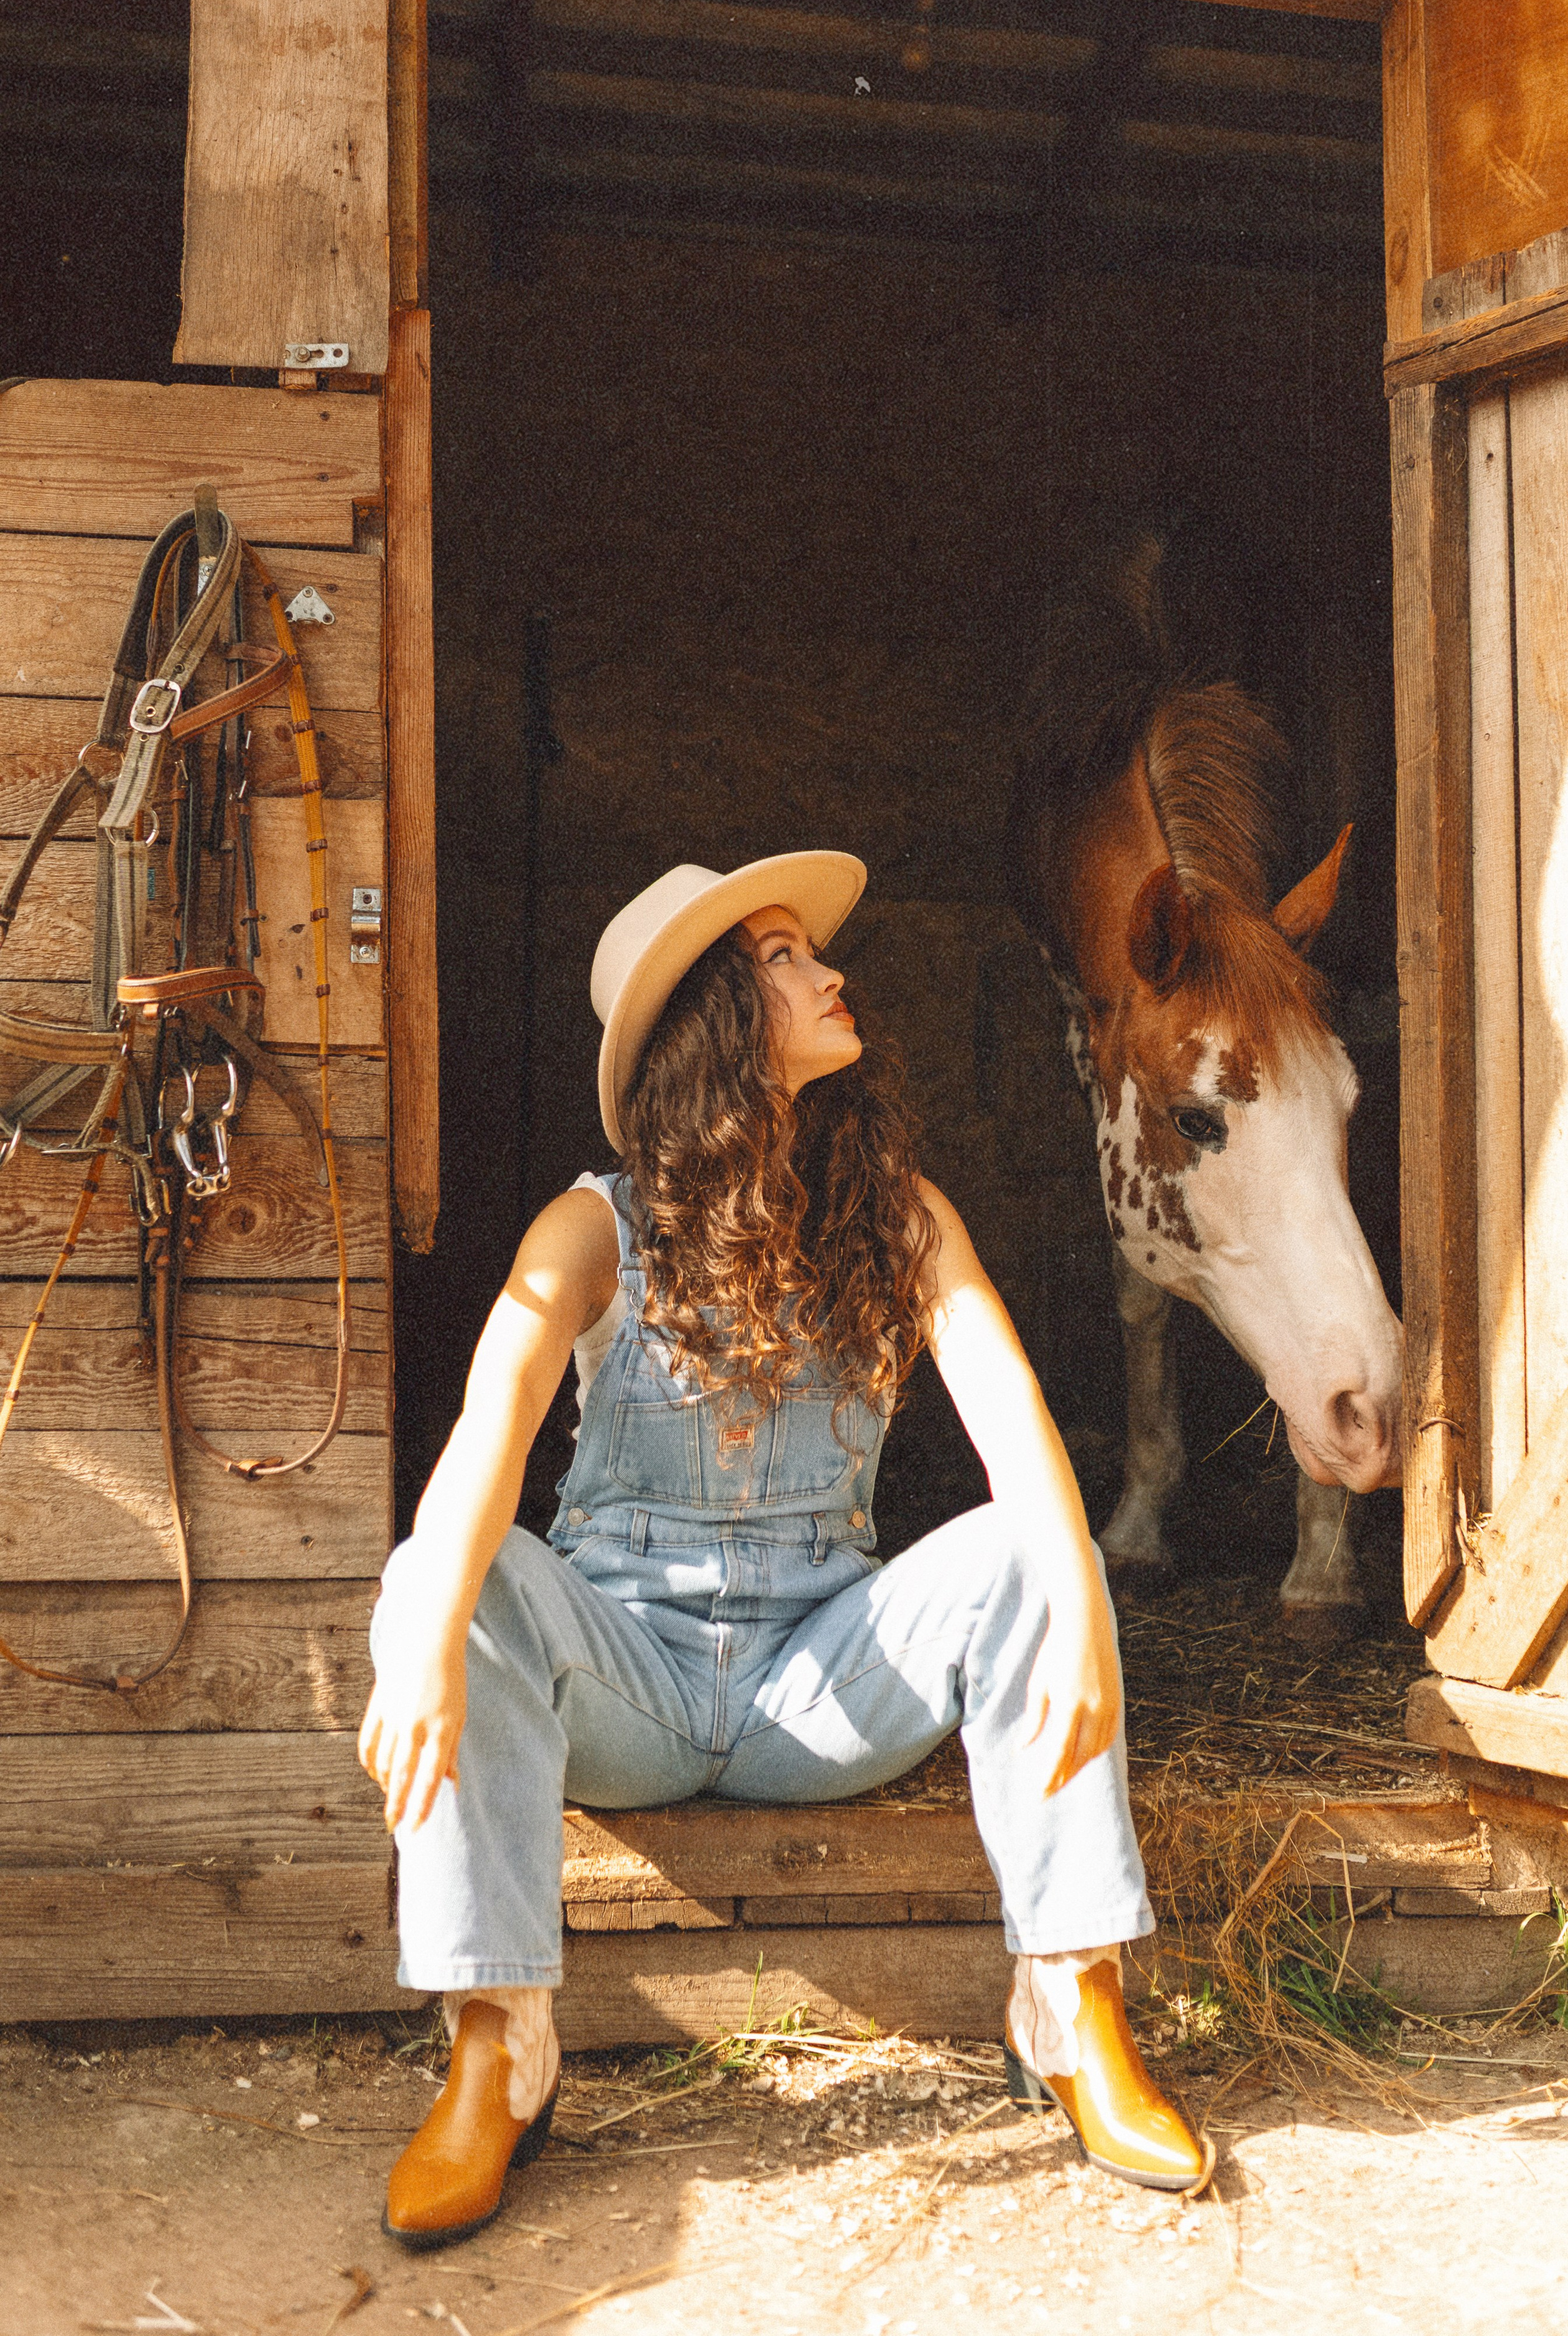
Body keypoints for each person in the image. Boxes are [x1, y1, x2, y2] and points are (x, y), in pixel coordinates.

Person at [360, 852, 1207, 2251]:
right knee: (448, 1576)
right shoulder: (592, 1229)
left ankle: (1072, 2006)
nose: (826, 970)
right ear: (710, 1020)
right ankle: (496, 2049)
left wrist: (1082, 1617)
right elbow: (483, 1441)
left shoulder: (905, 1216)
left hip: (819, 1688)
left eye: (812, 954)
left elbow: (1013, 1422)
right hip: (623, 1681)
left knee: (1026, 1551)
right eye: (778, 959)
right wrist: (425, 1643)